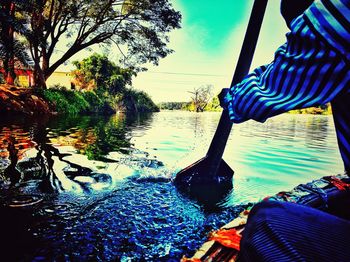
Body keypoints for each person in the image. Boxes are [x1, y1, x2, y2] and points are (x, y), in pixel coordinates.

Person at [219, 0, 350, 260]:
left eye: (295, 26)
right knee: (334, 204)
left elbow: (259, 96)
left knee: (267, 221)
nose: (295, 32)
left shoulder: (334, 14)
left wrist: (229, 97)